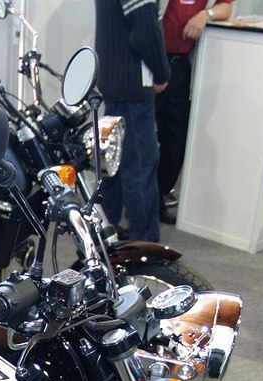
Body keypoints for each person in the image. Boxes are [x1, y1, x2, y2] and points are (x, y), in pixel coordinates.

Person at [95, 0, 170, 242]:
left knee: (113, 167)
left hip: (115, 83)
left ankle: (104, 239)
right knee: (140, 171)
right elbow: (145, 33)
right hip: (133, 87)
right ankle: (144, 249)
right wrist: (162, 73)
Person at [155, 0, 233, 225]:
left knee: (176, 140)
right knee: (139, 140)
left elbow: (226, 7)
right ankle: (128, 204)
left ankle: (157, 197)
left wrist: (206, 14)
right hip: (151, 60)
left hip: (179, 64)